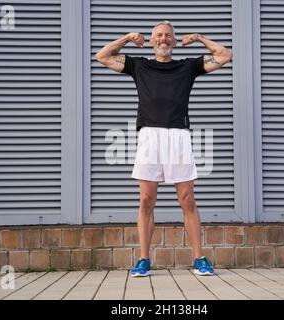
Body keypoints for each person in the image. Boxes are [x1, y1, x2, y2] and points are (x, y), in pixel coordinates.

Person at [95, 21, 233, 277]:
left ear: (174, 40)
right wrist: (126, 37)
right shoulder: (139, 65)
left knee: (187, 199)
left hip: (178, 135)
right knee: (146, 200)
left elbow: (225, 55)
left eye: (168, 36)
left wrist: (200, 37)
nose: (163, 39)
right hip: (149, 135)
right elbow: (102, 56)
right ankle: (144, 260)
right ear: (151, 41)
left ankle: (199, 258)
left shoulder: (188, 66)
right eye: (158, 35)